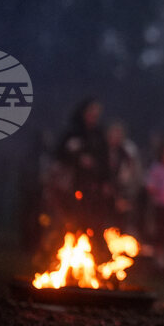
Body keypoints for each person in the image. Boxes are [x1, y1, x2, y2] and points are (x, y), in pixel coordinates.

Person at [55, 98, 111, 232]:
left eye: (97, 112)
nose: (94, 115)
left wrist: (106, 180)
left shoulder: (99, 134)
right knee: (73, 216)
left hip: (94, 184)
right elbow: (60, 154)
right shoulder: (73, 132)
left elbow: (105, 158)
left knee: (93, 217)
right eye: (92, 111)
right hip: (73, 183)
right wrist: (79, 158)